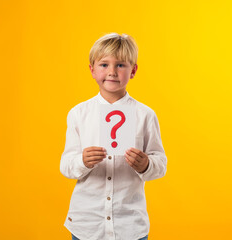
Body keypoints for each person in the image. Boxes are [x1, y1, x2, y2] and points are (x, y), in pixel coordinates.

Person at [60, 32, 167, 240]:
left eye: (120, 65)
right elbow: (66, 165)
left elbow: (160, 163)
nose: (112, 72)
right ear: (92, 70)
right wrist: (82, 161)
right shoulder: (78, 114)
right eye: (104, 65)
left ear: (133, 70)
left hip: (130, 225)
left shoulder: (145, 115)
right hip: (87, 224)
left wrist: (146, 165)